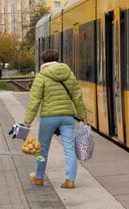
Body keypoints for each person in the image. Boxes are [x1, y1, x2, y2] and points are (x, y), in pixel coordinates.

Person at [23, 49, 87, 189]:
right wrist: (82, 116)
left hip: (49, 117)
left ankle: (39, 177)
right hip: (67, 118)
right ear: (57, 59)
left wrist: (28, 121)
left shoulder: (41, 76)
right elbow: (77, 97)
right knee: (69, 148)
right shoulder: (69, 75)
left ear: (43, 60)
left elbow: (35, 101)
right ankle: (70, 180)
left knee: (43, 149)